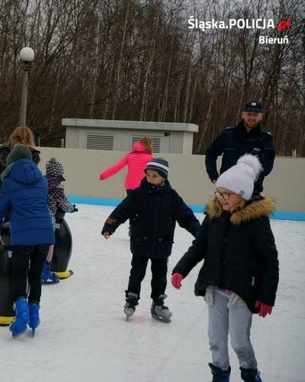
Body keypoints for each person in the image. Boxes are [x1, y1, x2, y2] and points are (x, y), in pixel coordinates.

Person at [171, 154, 278, 382]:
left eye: (225, 194)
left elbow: (270, 260)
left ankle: (250, 373)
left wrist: (267, 295)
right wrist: (182, 268)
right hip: (215, 285)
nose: (220, 198)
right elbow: (200, 245)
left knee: (239, 341)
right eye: (218, 193)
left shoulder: (256, 221)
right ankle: (220, 374)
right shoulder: (215, 215)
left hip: (242, 290)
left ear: (241, 195)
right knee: (215, 339)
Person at [101, 158, 200, 322]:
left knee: (160, 275)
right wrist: (109, 226)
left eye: (154, 176)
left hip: (162, 244)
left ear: (164, 177)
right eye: (148, 175)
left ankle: (158, 303)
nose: (150, 178)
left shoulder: (172, 197)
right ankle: (131, 299)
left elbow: (187, 217)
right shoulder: (138, 194)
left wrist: (200, 233)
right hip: (140, 242)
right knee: (136, 273)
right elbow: (121, 210)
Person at [0, 144, 54, 338]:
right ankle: (34, 315)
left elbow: (0, 208)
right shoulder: (42, 181)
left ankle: (22, 314)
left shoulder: (8, 182)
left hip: (23, 237)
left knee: (19, 273)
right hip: (44, 235)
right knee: (35, 275)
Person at [205, 101, 275, 197]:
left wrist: (249, 179)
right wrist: (213, 176)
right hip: (226, 192)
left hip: (251, 193)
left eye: (255, 114)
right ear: (243, 115)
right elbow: (211, 153)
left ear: (261, 117)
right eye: (249, 114)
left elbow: (268, 164)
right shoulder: (228, 134)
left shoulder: (266, 138)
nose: (251, 117)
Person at [42, 157, 76, 284]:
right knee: (50, 242)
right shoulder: (57, 187)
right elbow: (63, 203)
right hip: (48, 218)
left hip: (37, 216)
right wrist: (71, 208)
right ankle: (46, 268)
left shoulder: (41, 182)